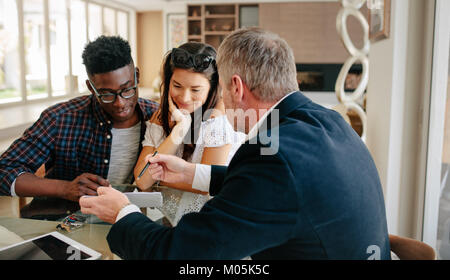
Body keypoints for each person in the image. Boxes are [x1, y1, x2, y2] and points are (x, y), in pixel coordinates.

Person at [80, 27, 391, 259]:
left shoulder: (274, 157)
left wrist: (122, 213)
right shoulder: (327, 121)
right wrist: (192, 174)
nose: (221, 104)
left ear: (236, 87)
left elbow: (181, 255)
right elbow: (275, 188)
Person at [0, 36, 158, 219]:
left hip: (128, 222)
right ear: (91, 87)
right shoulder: (61, 119)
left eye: (128, 89)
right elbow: (4, 171)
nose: (120, 103)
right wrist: (65, 188)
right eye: (107, 95)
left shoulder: (156, 118)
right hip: (61, 225)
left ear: (137, 76)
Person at [133, 42, 245, 226]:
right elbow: (143, 181)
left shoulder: (220, 121)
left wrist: (159, 179)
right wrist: (179, 130)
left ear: (212, 88)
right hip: (167, 220)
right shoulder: (161, 116)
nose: (185, 98)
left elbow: (206, 185)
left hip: (210, 224)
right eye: (177, 86)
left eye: (195, 90)